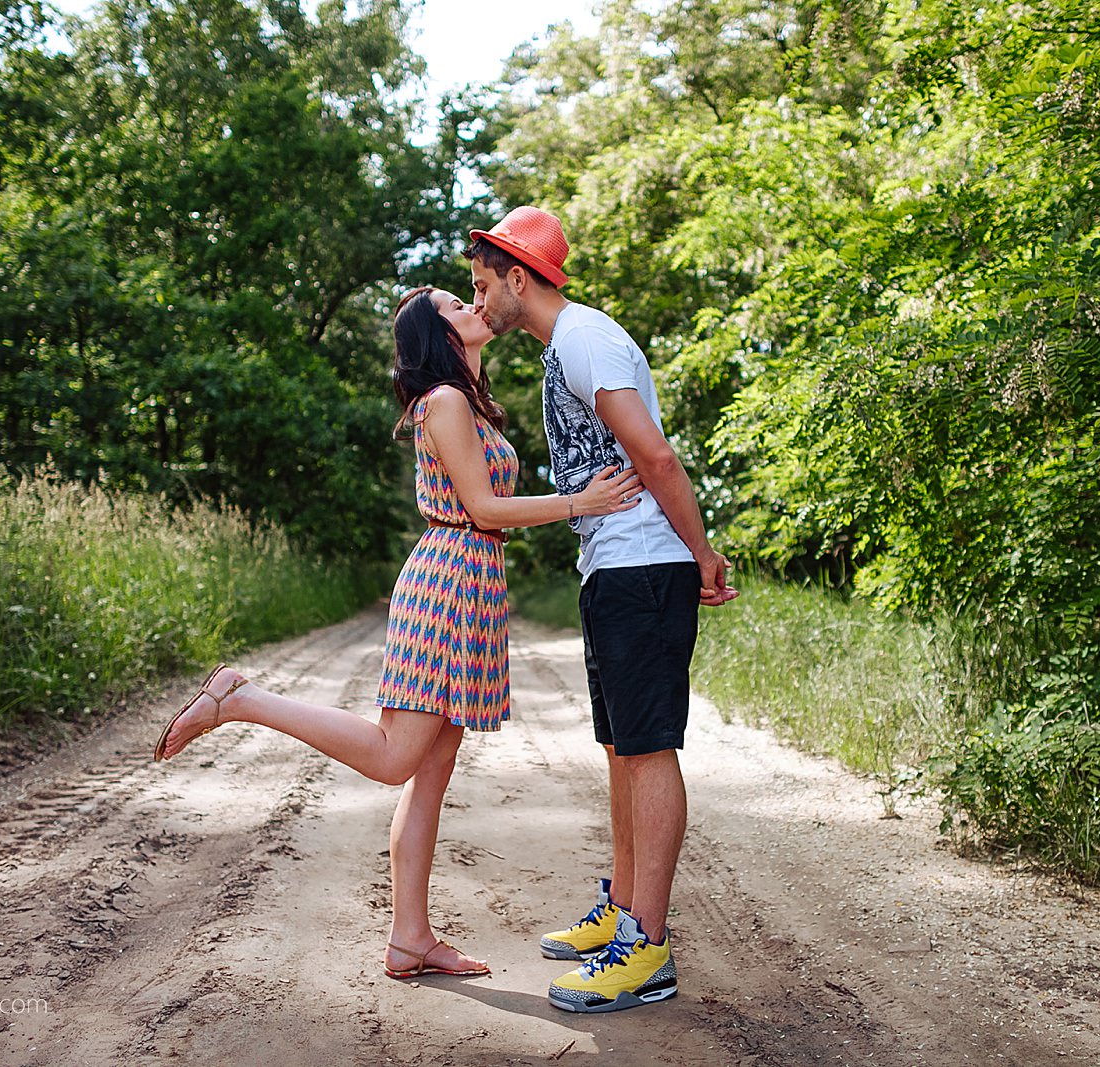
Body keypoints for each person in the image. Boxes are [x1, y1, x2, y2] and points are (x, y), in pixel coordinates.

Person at [151, 285, 644, 981]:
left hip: (473, 584)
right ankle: (242, 698)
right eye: (453, 303)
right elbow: (483, 506)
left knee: (431, 774)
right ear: (438, 335)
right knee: (394, 759)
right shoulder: (443, 403)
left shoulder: (468, 403)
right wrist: (581, 503)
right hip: (446, 581)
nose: (470, 303)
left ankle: (410, 937)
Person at [466, 206, 738, 1013]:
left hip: (647, 565)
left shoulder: (583, 337)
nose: (477, 300)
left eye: (483, 285)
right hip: (613, 567)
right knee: (623, 746)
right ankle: (623, 912)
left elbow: (653, 453)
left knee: (648, 749)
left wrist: (700, 553)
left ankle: (645, 947)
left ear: (520, 276)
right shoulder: (562, 348)